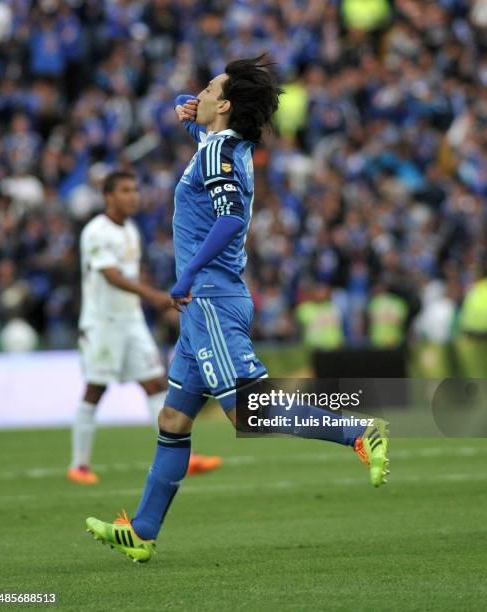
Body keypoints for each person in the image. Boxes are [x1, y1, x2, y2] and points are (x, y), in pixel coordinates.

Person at [86, 57, 389, 562]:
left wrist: (185, 275)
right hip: (207, 301)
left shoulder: (217, 150)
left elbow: (226, 220)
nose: (197, 93)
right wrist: (190, 120)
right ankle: (142, 530)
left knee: (248, 412)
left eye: (207, 89)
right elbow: (214, 179)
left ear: (223, 105)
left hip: (208, 298)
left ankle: (358, 430)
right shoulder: (227, 147)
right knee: (174, 418)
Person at [68, 170, 222, 485]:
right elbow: (111, 276)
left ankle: (183, 457)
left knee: (155, 385)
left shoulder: (131, 230)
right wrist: (158, 298)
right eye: (125, 190)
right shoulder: (96, 231)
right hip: (102, 324)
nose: (133, 196)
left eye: (135, 189)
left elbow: (133, 277)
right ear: (108, 196)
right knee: (95, 389)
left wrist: (158, 300)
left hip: (131, 322)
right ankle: (79, 465)